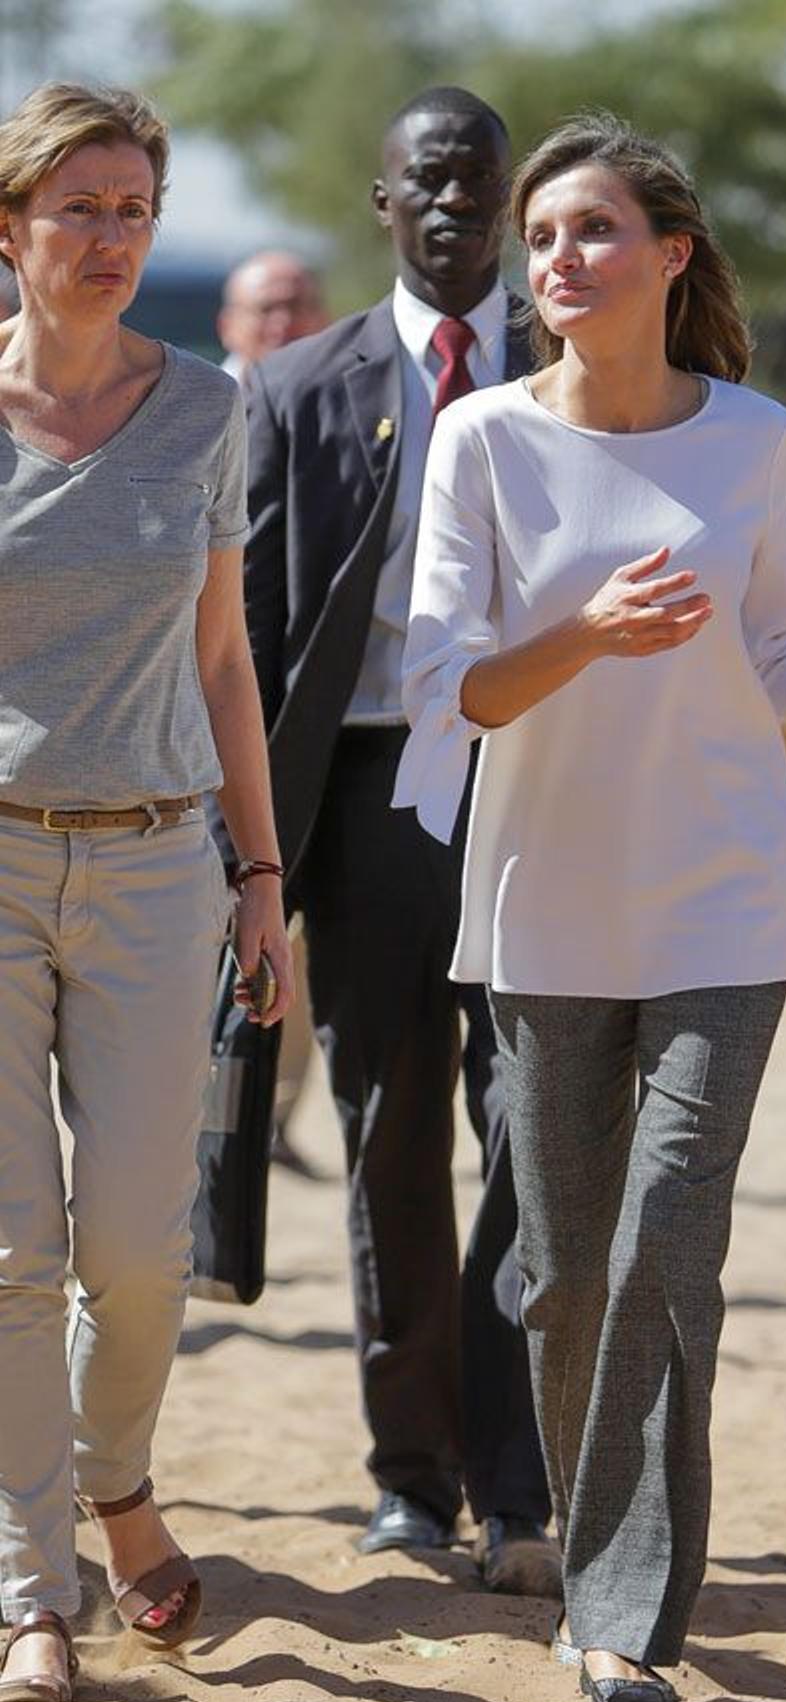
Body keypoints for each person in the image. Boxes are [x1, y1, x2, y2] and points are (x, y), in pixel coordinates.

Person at [394, 111, 786, 1702]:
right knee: (561, 1269)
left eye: (595, 231)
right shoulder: (482, 440)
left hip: (724, 900)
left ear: (671, 256)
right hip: (544, 911)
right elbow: (444, 687)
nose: (559, 259)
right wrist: (589, 634)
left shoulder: (751, 436)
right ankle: (585, 1541)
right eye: (543, 237)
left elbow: (781, 661)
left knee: (662, 1248)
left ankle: (623, 1612)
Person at [239, 86, 556, 1596]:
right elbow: (248, 632)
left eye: (478, 182)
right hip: (368, 807)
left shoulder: (580, 368)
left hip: (538, 792)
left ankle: (524, 1477)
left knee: (533, 1133)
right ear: (382, 202)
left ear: (507, 200)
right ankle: (411, 1481)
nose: (454, 204)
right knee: (388, 1141)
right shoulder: (301, 387)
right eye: (427, 181)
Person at [0, 81, 292, 1702]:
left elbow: (226, 654)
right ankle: (36, 1586)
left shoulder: (206, 407)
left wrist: (262, 875)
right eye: (79, 209)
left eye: (135, 210)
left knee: (138, 1250)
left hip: (166, 863)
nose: (112, 239)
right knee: (9, 1256)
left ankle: (117, 1480)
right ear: (10, 227)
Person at [216, 247, 330, 1177]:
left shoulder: (340, 424)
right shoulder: (178, 416)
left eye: (298, 309)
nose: (282, 327)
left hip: (298, 737)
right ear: (230, 327)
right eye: (266, 311)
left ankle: (271, 1122)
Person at [216, 248, 328, 383]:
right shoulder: (201, 401)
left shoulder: (349, 399)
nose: (282, 322)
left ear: (324, 319)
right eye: (266, 309)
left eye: (295, 306)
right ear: (227, 327)